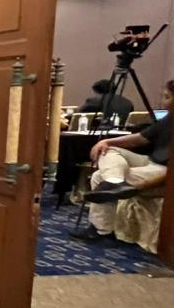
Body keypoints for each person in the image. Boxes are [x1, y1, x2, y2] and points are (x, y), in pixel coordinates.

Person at [71, 80, 172, 241]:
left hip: (164, 170)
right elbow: (140, 138)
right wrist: (108, 142)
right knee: (108, 150)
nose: (163, 102)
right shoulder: (169, 118)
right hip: (150, 161)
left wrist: (146, 184)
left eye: (167, 97)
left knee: (98, 177)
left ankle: (102, 229)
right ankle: (115, 181)